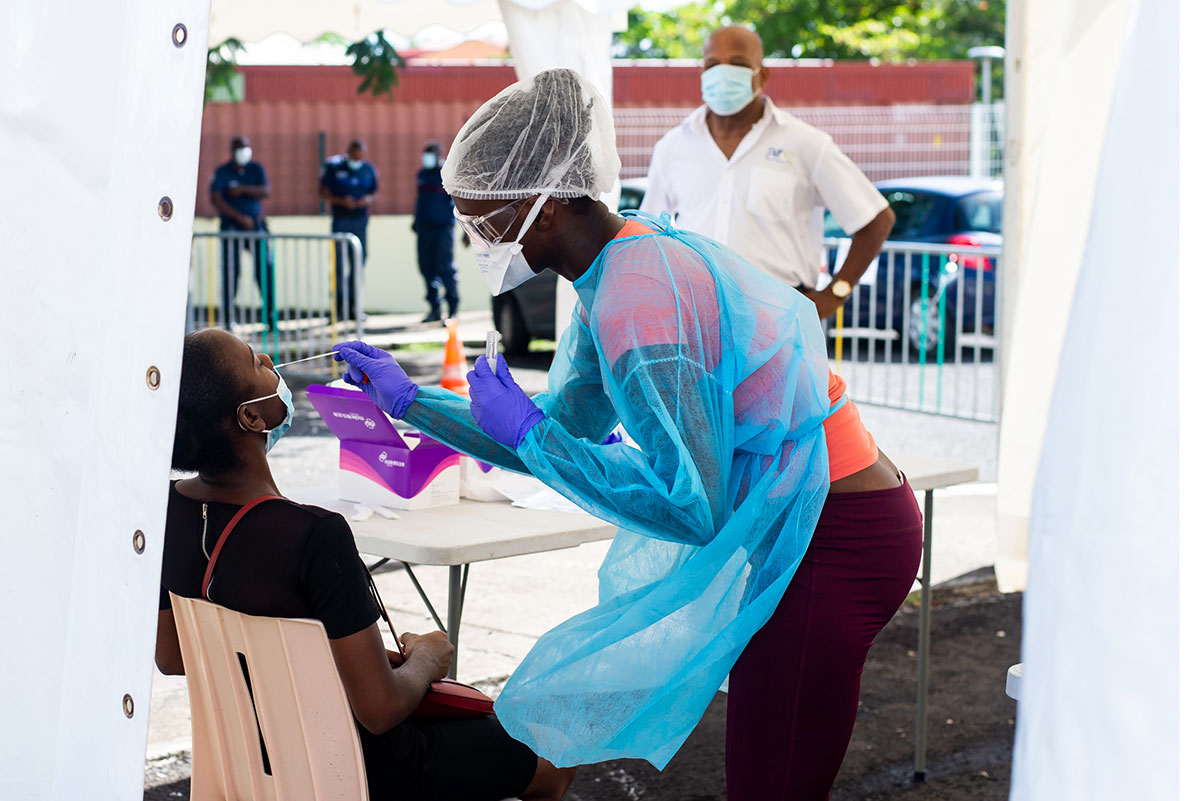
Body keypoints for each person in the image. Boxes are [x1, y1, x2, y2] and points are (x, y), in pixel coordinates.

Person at [333, 69, 922, 800]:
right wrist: (410, 399)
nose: (473, 236)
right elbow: (564, 425)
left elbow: (690, 505)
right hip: (807, 516)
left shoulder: (636, 306)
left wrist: (533, 434)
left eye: (481, 217)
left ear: (544, 206)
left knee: (772, 780)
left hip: (837, 534)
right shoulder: (615, 263)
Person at [155, 328, 576, 801]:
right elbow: (380, 709)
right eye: (256, 361)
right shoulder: (315, 535)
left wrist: (311, 658)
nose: (270, 360)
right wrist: (427, 658)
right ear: (250, 417)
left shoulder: (166, 511)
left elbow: (171, 656)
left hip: (258, 753)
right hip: (360, 766)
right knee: (555, 758)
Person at [641, 25, 896, 320]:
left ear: (761, 75)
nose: (723, 73)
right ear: (702, 73)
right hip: (696, 317)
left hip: (778, 319)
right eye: (712, 65)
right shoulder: (673, 146)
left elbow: (876, 219)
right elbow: (647, 234)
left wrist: (835, 293)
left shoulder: (805, 144)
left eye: (737, 63)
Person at [210, 135, 275, 330]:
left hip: (256, 228)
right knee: (231, 272)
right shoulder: (222, 172)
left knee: (264, 270)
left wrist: (241, 189)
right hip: (232, 228)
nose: (243, 152)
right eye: (239, 148)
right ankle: (228, 318)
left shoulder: (256, 169)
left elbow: (266, 191)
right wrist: (240, 218)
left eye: (246, 147)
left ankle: (270, 317)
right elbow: (216, 199)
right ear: (232, 151)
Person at [320, 139, 379, 319]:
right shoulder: (334, 167)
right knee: (338, 265)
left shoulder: (368, 169)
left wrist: (366, 200)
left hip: (360, 221)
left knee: (358, 264)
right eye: (353, 153)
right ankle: (338, 309)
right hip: (341, 220)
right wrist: (341, 201)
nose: (356, 156)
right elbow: (322, 191)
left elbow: (373, 192)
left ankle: (355, 308)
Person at [413, 141, 460, 323]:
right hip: (424, 230)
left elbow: (458, 201)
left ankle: (453, 310)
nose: (427, 158)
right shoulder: (422, 174)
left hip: (443, 230)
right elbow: (421, 200)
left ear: (439, 155)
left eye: (431, 153)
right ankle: (434, 308)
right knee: (426, 269)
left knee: (445, 269)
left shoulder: (447, 173)